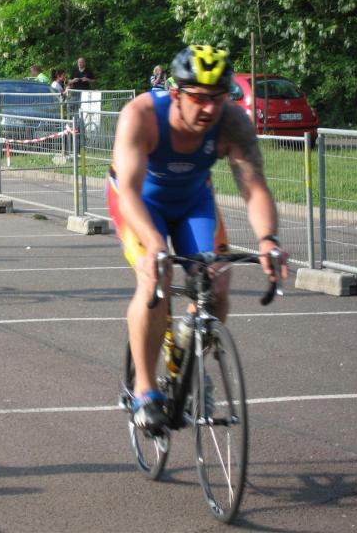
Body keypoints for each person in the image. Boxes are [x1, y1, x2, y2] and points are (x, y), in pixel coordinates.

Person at [106, 45, 288, 432]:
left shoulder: (232, 122)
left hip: (193, 201)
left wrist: (268, 239)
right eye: (199, 98)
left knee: (217, 284)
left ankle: (188, 358)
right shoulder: (141, 115)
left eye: (217, 99)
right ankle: (144, 391)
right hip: (139, 202)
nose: (209, 109)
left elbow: (254, 188)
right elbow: (130, 193)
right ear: (176, 93)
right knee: (155, 277)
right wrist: (155, 244)